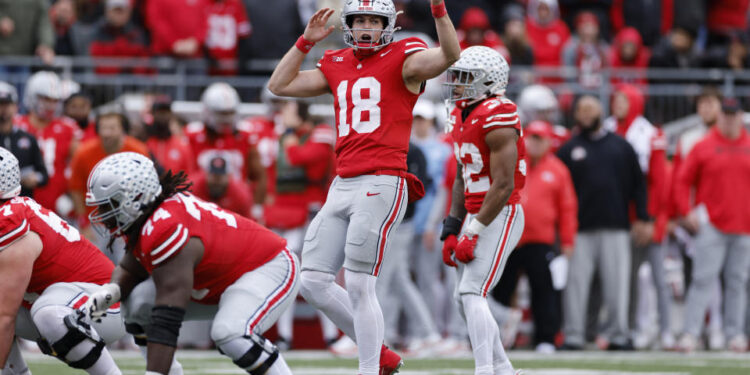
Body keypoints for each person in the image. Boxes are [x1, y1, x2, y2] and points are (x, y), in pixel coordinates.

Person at [266, 0, 460, 373]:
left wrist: (439, 12)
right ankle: (381, 354)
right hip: (343, 182)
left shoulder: (404, 56)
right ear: (348, 26)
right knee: (313, 281)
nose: (367, 27)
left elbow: (450, 54)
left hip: (383, 179)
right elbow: (279, 85)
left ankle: (369, 368)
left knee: (358, 284)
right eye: (360, 21)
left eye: (374, 20)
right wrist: (305, 42)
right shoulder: (336, 62)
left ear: (387, 25)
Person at [82, 152, 298, 375]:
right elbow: (130, 268)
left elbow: (167, 317)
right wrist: (112, 290)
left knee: (230, 333)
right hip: (223, 279)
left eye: (109, 205)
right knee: (138, 303)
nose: (103, 214)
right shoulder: (149, 217)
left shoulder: (166, 228)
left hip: (268, 266)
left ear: (136, 198)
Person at [0, 147, 126, 375]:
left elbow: (5, 316)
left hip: (102, 306)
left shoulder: (11, 222)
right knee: (44, 309)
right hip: (61, 301)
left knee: (47, 311)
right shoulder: (12, 212)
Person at [440, 46, 526, 375]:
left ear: (489, 81)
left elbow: (503, 185)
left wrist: (472, 232)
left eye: (466, 77)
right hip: (478, 213)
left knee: (472, 291)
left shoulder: (499, 113)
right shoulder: (463, 113)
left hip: (500, 213)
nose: (457, 83)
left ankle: (485, 370)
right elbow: (464, 176)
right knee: (463, 298)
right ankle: (502, 369)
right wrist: (452, 226)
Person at [557, 95, 651, 351]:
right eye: (581, 110)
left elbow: (638, 185)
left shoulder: (621, 147)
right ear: (575, 115)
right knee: (576, 285)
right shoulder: (568, 149)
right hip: (579, 229)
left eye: (591, 108)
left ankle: (618, 335)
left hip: (616, 226)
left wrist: (642, 217)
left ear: (601, 110)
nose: (586, 114)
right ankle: (574, 335)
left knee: (617, 286)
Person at [493, 120, 577, 354]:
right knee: (501, 288)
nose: (534, 143)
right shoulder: (514, 164)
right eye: (531, 137)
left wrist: (568, 240)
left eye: (539, 138)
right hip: (510, 238)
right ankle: (496, 335)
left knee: (543, 291)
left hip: (540, 240)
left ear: (549, 141)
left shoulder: (558, 170)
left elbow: (567, 208)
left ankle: (546, 338)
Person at [674, 97, 750, 353]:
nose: (729, 119)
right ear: (720, 117)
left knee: (737, 283)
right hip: (712, 225)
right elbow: (682, 181)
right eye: (726, 114)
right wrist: (686, 211)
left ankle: (735, 335)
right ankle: (690, 334)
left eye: (733, 114)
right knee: (702, 280)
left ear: (741, 116)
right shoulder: (703, 146)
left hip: (744, 226)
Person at [602, 83, 671, 350]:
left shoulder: (650, 133)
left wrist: (650, 219)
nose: (618, 104)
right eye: (615, 99)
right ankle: (625, 329)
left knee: (658, 276)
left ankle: (665, 331)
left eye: (623, 99)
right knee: (624, 278)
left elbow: (659, 182)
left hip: (644, 218)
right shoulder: (606, 129)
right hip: (617, 218)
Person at [266, 100, 339, 351]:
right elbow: (272, 177)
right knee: (286, 273)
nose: (282, 114)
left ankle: (332, 335)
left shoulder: (319, 135)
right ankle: (285, 335)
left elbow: (301, 158)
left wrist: (291, 144)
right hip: (283, 213)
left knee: (316, 274)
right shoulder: (281, 137)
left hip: (311, 213)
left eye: (288, 109)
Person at [185, 83, 267, 223]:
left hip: (236, 203)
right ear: (208, 111)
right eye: (221, 113)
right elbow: (186, 175)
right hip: (200, 203)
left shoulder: (245, 135)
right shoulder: (193, 136)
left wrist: (256, 207)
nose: (226, 119)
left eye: (230, 113)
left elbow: (259, 176)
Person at [68, 109, 149, 243]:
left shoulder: (138, 152)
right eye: (103, 127)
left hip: (128, 222)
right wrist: (83, 223)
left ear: (123, 129)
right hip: (95, 222)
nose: (106, 133)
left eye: (112, 128)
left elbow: (145, 188)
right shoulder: (83, 153)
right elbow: (76, 189)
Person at [16, 71, 80, 214]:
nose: (51, 105)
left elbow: (78, 165)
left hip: (57, 204)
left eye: (54, 100)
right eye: (45, 99)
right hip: (22, 203)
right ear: (32, 96)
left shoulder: (68, 127)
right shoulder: (17, 125)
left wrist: (71, 196)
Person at [0, 82, 48, 199]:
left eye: (8, 104)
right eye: (0, 104)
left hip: (22, 205)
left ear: (16, 106)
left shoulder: (28, 139)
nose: (4, 108)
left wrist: (35, 178)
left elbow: (44, 175)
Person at [144, 96, 194, 177]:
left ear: (171, 114)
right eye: (160, 111)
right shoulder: (145, 142)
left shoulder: (182, 146)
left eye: (166, 111)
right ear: (153, 113)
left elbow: (188, 176)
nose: (163, 115)